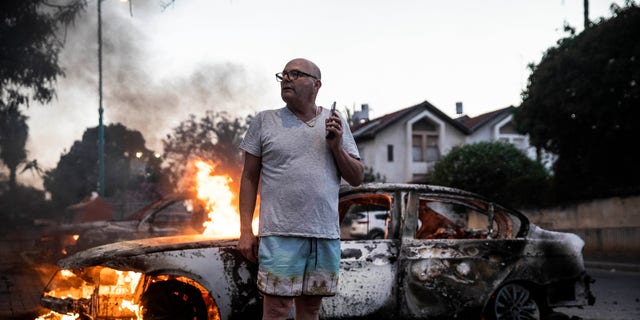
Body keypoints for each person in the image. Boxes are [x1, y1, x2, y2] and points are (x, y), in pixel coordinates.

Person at [238, 58, 364, 320]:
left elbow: (356, 177)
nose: (286, 79)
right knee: (276, 309)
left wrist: (336, 146)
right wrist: (245, 230)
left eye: (295, 74)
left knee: (311, 310)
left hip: (322, 234)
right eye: (283, 74)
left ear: (316, 84)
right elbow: (249, 178)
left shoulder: (334, 120)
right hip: (279, 234)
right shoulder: (265, 121)